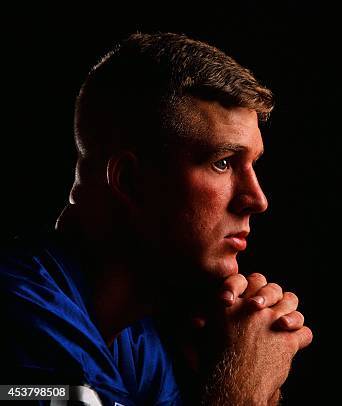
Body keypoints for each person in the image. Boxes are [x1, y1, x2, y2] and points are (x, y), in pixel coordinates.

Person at [0, 32, 312, 405]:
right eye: (223, 162)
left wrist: (233, 376)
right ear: (131, 181)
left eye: (253, 165)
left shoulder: (137, 336)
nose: (256, 199)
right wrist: (243, 380)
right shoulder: (19, 313)